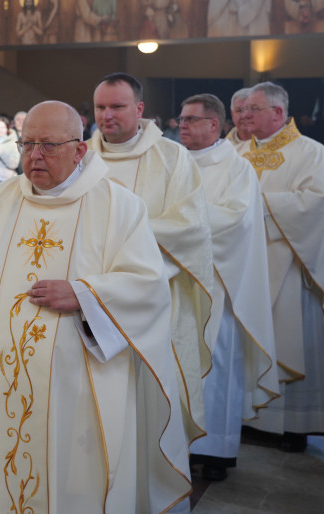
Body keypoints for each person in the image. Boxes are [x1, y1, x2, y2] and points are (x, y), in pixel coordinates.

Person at [0, 100, 190, 512]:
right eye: (27, 143)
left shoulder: (118, 207)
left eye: (48, 145)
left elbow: (149, 288)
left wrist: (86, 295)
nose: (35, 156)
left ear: (80, 149)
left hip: (80, 391)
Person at [89, 73, 215, 445]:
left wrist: (120, 236)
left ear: (139, 109)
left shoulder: (172, 157)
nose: (107, 115)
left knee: (150, 402)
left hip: (155, 297)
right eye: (100, 107)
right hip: (89, 297)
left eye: (117, 106)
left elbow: (190, 226)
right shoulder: (79, 156)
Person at [239, 82, 324, 452]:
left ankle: (292, 426)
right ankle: (248, 418)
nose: (244, 116)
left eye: (254, 109)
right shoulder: (238, 152)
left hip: (289, 264)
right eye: (243, 110)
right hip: (245, 267)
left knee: (288, 338)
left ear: (278, 112)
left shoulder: (310, 153)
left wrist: (252, 207)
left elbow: (314, 204)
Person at [178, 94, 279, 482]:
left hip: (219, 282)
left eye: (191, 119)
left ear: (214, 125)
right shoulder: (173, 162)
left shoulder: (236, 168)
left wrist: (178, 224)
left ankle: (215, 450)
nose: (182, 125)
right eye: (181, 119)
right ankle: (179, 443)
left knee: (215, 365)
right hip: (176, 281)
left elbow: (235, 222)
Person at [226, 87, 253, 152]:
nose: (245, 115)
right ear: (232, 114)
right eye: (239, 110)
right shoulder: (223, 148)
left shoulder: (269, 142)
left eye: (251, 109)